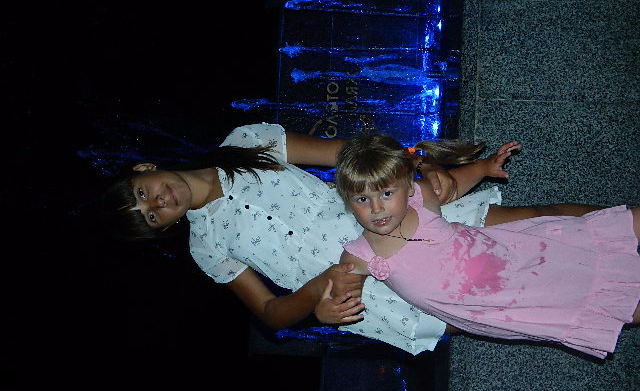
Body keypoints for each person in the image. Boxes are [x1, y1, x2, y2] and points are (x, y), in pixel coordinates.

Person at [101, 122, 605, 355]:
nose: (157, 203)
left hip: (391, 213)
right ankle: (619, 306)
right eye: (151, 217)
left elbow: (350, 153)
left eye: (143, 194)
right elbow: (271, 314)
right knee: (514, 308)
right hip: (371, 294)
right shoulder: (205, 246)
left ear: (144, 168)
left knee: (537, 220)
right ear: (163, 228)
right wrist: (316, 302)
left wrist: (418, 164)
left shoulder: (246, 143)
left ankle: (624, 230)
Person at [333, 134, 640, 359]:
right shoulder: (360, 254)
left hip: (519, 255)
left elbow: (447, 186)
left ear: (406, 185)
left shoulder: (421, 196)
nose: (376, 208)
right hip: (513, 302)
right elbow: (340, 296)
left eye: (386, 194)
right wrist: (327, 310)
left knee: (587, 237)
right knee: (609, 306)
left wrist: (481, 168)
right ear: (348, 201)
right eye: (362, 199)